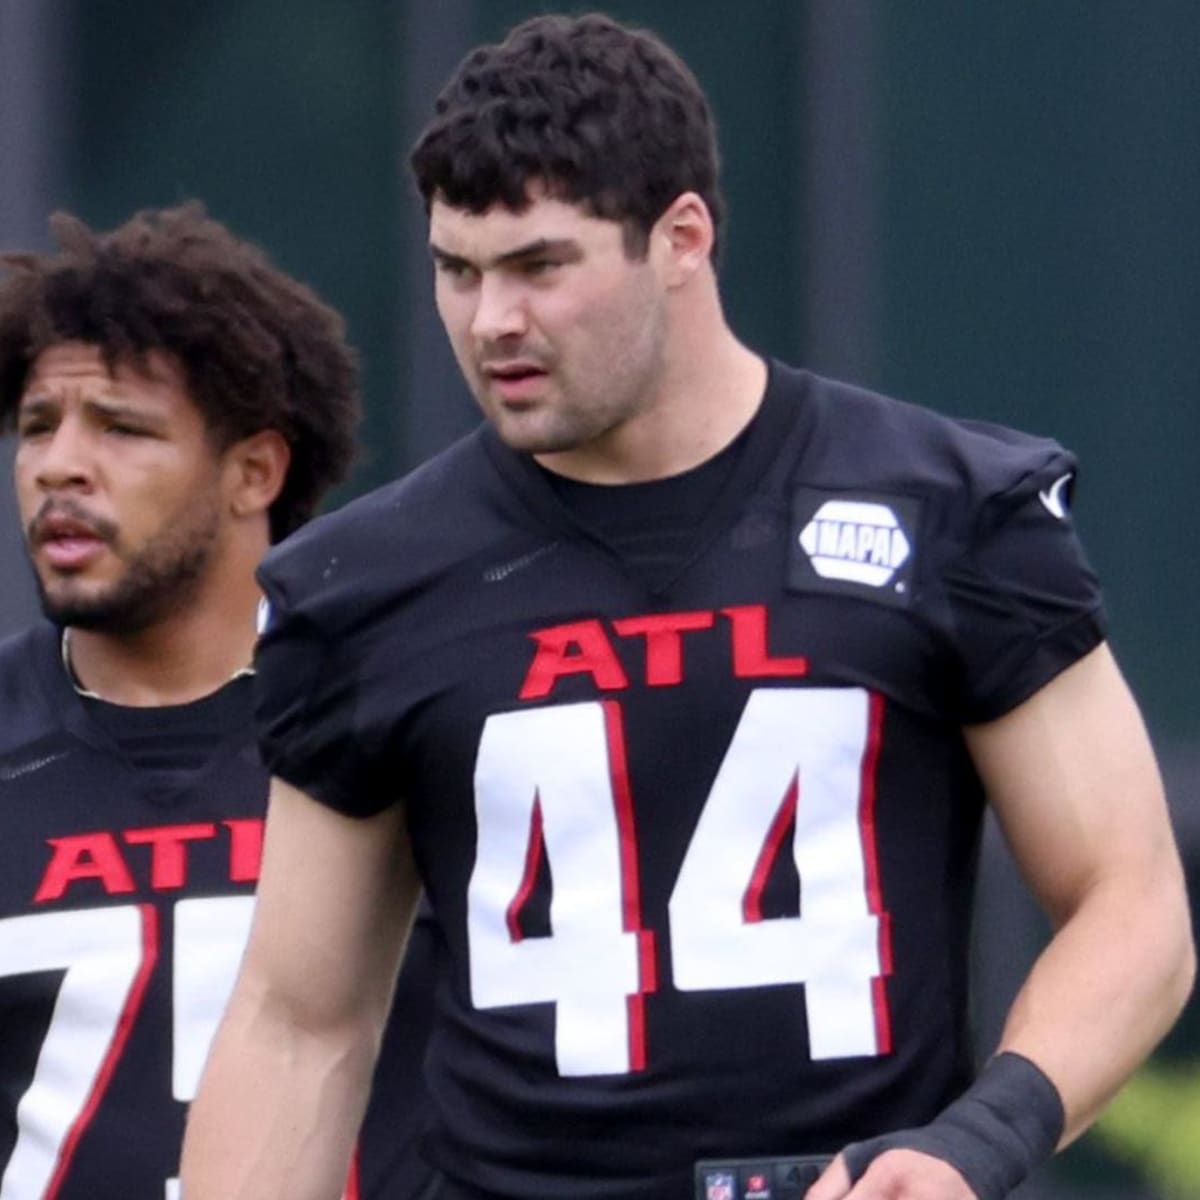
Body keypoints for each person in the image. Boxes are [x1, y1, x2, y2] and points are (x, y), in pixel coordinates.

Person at [181, 13, 1196, 1200]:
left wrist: (977, 1143)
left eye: (540, 266)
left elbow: (1130, 902)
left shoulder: (950, 509)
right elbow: (301, 1021)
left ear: (682, 238)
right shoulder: (366, 586)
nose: (490, 319)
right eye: (457, 269)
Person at [0, 203, 436, 1199]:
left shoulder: (399, 727)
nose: (59, 465)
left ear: (254, 471)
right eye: (37, 427)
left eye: (121, 426)